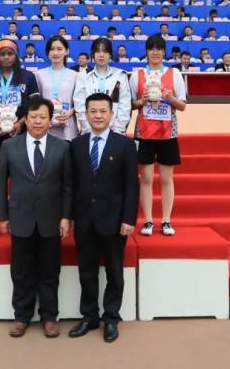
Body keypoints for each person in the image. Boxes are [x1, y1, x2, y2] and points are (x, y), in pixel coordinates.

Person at [0, 96, 72, 338]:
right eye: (33, 117)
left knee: (50, 270)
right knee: (21, 270)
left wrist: (66, 217)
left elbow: (68, 186)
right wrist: (2, 216)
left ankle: (49, 317)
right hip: (20, 217)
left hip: (51, 218)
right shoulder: (9, 146)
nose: (38, 121)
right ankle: (21, 316)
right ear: (25, 120)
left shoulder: (62, 147)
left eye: (43, 117)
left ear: (50, 120)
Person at [68, 93, 138, 343]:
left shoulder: (125, 145)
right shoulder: (76, 145)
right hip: (84, 220)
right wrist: (69, 216)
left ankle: (111, 318)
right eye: (93, 111)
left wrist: (129, 219)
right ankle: (89, 316)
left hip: (114, 221)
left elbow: (132, 186)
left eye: (102, 111)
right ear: (86, 114)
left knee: (114, 272)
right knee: (86, 272)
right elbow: (71, 184)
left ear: (111, 114)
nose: (98, 116)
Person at [0, 39, 40, 240]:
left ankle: (16, 218)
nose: (6, 57)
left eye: (10, 54)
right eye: (2, 54)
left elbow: (34, 106)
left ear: (16, 56)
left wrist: (21, 123)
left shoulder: (28, 77)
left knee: (20, 176)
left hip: (20, 131)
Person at [130, 35, 187, 237]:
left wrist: (169, 97)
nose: (155, 52)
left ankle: (166, 220)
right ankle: (147, 221)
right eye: (151, 49)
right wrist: (142, 101)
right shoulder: (137, 75)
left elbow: (182, 106)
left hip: (167, 133)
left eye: (159, 49)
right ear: (146, 52)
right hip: (144, 132)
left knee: (166, 178)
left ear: (164, 52)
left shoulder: (174, 74)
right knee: (145, 178)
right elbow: (130, 104)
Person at [74, 38, 132, 135]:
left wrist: (117, 130)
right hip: (89, 132)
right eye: (98, 51)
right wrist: (90, 129)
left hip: (115, 132)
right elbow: (80, 106)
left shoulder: (120, 75)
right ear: (93, 54)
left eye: (105, 51)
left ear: (110, 54)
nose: (101, 55)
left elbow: (125, 105)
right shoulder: (82, 76)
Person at [35, 36, 79, 140]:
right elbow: (37, 100)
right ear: (48, 52)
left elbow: (79, 102)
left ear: (66, 51)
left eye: (59, 49)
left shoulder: (75, 75)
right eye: (52, 49)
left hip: (67, 124)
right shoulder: (39, 74)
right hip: (46, 123)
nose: (55, 53)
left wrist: (69, 113)